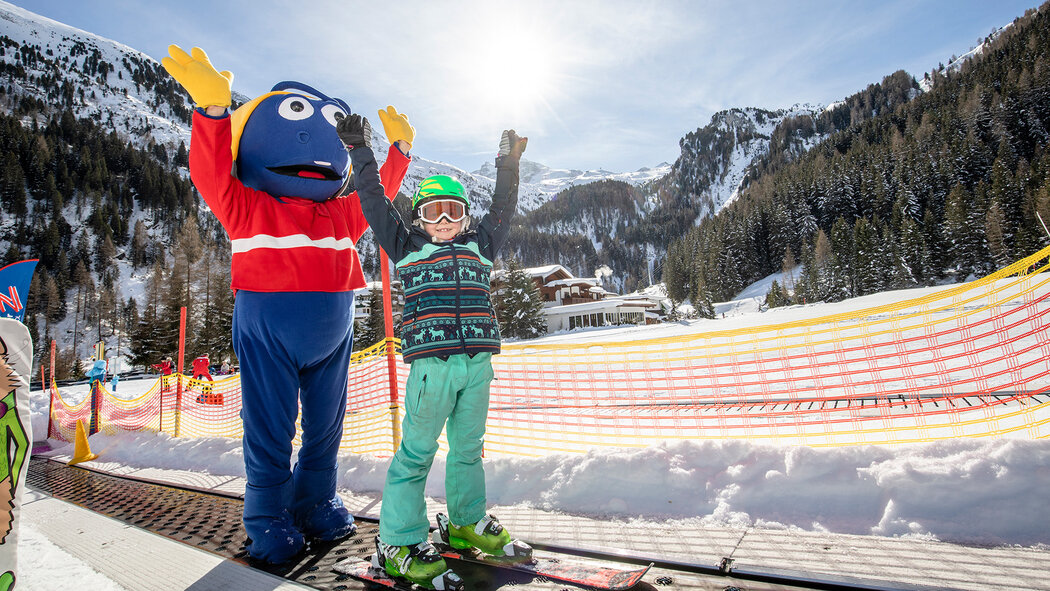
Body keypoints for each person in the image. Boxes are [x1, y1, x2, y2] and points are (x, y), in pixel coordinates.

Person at [162, 45, 414, 564]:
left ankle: (316, 499)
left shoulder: (343, 214)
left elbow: (376, 192)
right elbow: (210, 174)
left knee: (326, 425)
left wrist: (399, 153)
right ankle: (266, 518)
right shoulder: (248, 205)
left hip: (333, 338)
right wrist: (212, 113)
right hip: (267, 334)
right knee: (270, 426)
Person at [342, 115, 530, 588]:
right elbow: (373, 200)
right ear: (417, 219)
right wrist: (360, 153)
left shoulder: (482, 246)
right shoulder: (405, 248)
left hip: (478, 366)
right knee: (417, 453)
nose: (443, 223)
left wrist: (508, 163)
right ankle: (399, 541)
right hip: (432, 368)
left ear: (465, 215)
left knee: (468, 451)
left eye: (452, 211)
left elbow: (505, 205)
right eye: (432, 213)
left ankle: (465, 524)